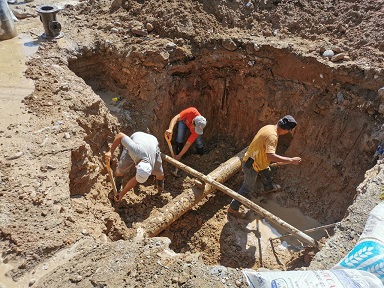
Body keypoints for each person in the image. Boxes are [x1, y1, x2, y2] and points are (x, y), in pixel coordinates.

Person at [228, 115, 302, 218]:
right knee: (247, 188)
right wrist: (290, 160)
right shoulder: (272, 136)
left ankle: (268, 187)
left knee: (266, 171)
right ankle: (233, 208)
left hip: (255, 158)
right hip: (252, 165)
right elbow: (270, 156)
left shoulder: (269, 127)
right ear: (287, 130)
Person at [105, 131, 164, 202]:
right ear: (136, 166)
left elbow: (135, 179)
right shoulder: (134, 149)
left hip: (152, 141)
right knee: (120, 169)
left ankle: (160, 191)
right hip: (137, 138)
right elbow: (120, 135)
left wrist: (122, 194)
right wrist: (110, 152)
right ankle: (117, 188)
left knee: (159, 174)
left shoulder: (151, 164)